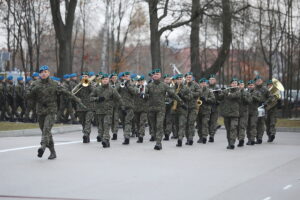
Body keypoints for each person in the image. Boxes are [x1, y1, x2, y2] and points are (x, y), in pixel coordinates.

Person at [27, 65, 85, 159]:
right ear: (39, 74)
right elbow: (27, 96)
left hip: (51, 110)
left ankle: (43, 146)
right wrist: (33, 90)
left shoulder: (54, 83)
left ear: (48, 73)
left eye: (45, 72)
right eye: (42, 72)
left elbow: (66, 92)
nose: (44, 74)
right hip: (41, 111)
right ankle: (53, 152)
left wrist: (77, 100)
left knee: (46, 129)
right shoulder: (35, 84)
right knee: (46, 132)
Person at [145, 68, 184, 150]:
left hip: (161, 109)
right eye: (154, 74)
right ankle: (156, 137)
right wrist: (145, 96)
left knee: (159, 125)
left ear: (160, 75)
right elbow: (145, 96)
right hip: (151, 109)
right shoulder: (148, 86)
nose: (156, 75)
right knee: (154, 126)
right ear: (152, 76)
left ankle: (158, 143)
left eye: (157, 74)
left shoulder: (164, 85)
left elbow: (173, 94)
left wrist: (181, 102)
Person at [90, 74, 124, 148]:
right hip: (99, 111)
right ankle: (104, 139)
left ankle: (106, 139)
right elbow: (91, 98)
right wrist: (97, 99)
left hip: (108, 111)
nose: (105, 80)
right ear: (101, 80)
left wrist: (123, 107)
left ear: (108, 80)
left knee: (106, 125)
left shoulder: (112, 89)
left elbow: (119, 98)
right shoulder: (97, 89)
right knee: (101, 126)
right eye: (103, 79)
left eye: (106, 79)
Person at [219, 78, 241, 149]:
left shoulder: (238, 91)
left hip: (234, 113)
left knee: (233, 128)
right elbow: (220, 98)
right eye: (233, 83)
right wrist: (221, 92)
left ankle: (232, 143)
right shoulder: (227, 90)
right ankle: (229, 143)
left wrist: (227, 93)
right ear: (230, 84)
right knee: (228, 129)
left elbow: (232, 96)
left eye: (235, 83)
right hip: (226, 113)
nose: (234, 84)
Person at [74, 72, 96, 143]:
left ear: (88, 77)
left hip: (90, 106)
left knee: (88, 121)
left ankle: (86, 134)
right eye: (83, 76)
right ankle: (86, 135)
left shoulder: (91, 84)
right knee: (83, 122)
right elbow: (73, 93)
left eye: (86, 76)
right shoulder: (79, 85)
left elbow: (95, 92)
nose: (84, 78)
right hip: (81, 107)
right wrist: (80, 85)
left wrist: (89, 84)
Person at [117, 72, 138, 145]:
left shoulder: (132, 84)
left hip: (130, 107)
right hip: (121, 106)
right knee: (123, 123)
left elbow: (135, 92)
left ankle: (127, 137)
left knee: (127, 122)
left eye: (127, 76)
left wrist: (128, 85)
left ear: (129, 77)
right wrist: (120, 85)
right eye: (124, 76)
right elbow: (115, 91)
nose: (125, 77)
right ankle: (126, 135)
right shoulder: (120, 84)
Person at [171, 74, 190, 147]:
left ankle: (180, 139)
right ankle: (180, 136)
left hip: (183, 108)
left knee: (182, 124)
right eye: (178, 79)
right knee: (177, 125)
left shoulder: (186, 88)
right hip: (175, 109)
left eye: (180, 79)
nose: (179, 80)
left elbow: (190, 96)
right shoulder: (172, 88)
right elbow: (169, 96)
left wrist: (183, 95)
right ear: (175, 80)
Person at [254, 75, 273, 144]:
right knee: (254, 123)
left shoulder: (265, 89)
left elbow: (271, 97)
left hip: (262, 107)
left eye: (259, 81)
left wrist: (266, 103)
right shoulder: (253, 89)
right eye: (257, 81)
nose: (258, 82)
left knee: (261, 123)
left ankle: (259, 138)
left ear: (262, 81)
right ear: (255, 82)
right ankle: (256, 137)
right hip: (254, 108)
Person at [184, 72, 201, 145]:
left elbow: (199, 93)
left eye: (190, 77)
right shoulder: (183, 85)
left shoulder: (196, 85)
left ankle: (190, 138)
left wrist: (191, 94)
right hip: (184, 107)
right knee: (186, 123)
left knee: (191, 122)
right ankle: (187, 138)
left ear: (192, 78)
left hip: (193, 107)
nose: (188, 78)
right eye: (187, 77)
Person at [197, 78, 215, 144]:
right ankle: (200, 137)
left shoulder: (209, 91)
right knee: (199, 125)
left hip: (206, 110)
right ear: (199, 84)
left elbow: (213, 99)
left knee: (205, 123)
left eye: (204, 83)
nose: (203, 84)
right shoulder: (197, 90)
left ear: (206, 84)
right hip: (198, 110)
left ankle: (204, 137)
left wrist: (206, 99)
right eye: (201, 83)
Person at [246, 80, 262, 145]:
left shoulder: (257, 92)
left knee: (253, 125)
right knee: (248, 126)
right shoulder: (245, 92)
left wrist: (252, 95)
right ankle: (249, 139)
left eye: (252, 85)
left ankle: (252, 139)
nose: (250, 86)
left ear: (254, 86)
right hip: (246, 111)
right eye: (249, 85)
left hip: (254, 111)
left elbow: (259, 99)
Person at [237, 80, 252, 147]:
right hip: (236, 112)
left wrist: (243, 95)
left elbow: (249, 101)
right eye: (239, 84)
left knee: (242, 126)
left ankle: (241, 140)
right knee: (236, 127)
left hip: (244, 112)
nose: (241, 86)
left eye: (242, 85)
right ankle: (239, 138)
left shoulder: (247, 93)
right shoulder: (235, 92)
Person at [133, 75, 148, 143]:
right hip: (136, 108)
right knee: (137, 123)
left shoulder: (146, 88)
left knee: (142, 122)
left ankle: (141, 136)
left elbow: (150, 96)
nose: (140, 82)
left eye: (142, 81)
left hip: (144, 109)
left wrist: (145, 95)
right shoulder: (134, 88)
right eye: (139, 81)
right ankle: (139, 135)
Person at [208, 74, 221, 142]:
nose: (211, 81)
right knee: (207, 122)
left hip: (215, 107)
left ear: (215, 80)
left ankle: (211, 136)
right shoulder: (206, 87)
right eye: (210, 79)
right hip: (207, 107)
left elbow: (221, 97)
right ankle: (209, 133)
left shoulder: (217, 88)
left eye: (213, 79)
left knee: (213, 122)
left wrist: (218, 101)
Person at [162, 74, 174, 141]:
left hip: (170, 105)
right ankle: (164, 132)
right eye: (166, 79)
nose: (167, 80)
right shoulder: (161, 86)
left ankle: (167, 134)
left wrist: (171, 101)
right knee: (163, 120)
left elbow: (174, 95)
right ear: (164, 80)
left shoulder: (173, 86)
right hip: (163, 105)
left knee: (168, 120)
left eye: (168, 79)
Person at [109, 72, 120, 140]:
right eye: (113, 78)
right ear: (111, 78)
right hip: (110, 104)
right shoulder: (109, 84)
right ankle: (113, 131)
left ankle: (115, 133)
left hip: (117, 104)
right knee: (111, 119)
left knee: (116, 119)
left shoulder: (119, 84)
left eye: (116, 78)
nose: (114, 79)